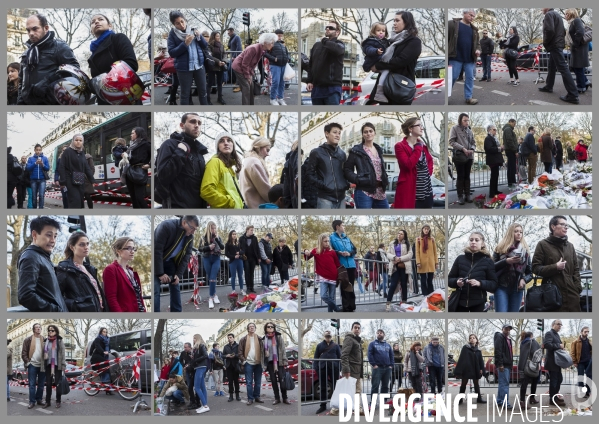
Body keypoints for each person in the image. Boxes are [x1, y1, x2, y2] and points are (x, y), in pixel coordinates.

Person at [17, 14, 79, 105]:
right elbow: (21, 81)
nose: (31, 33)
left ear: (46, 28)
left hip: (51, 102)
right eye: (28, 30)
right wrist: (20, 102)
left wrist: (48, 82)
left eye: (35, 29)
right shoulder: (26, 53)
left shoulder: (60, 47)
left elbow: (75, 71)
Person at [155, 113, 209, 208]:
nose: (197, 125)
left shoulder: (199, 153)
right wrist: (180, 152)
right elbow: (162, 176)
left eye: (199, 123)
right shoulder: (169, 144)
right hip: (177, 208)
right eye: (192, 122)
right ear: (182, 125)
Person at [369, 11, 422, 105]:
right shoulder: (390, 41)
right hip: (386, 89)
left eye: (397, 20)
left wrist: (377, 66)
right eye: (393, 20)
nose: (394, 23)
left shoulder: (414, 42)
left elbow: (400, 61)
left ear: (406, 22)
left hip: (400, 88)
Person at [531, 216, 581, 312]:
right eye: (562, 224)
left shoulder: (570, 246)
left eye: (567, 225)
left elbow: (576, 269)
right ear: (553, 227)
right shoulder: (542, 244)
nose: (565, 227)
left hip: (572, 295)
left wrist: (577, 288)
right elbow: (535, 268)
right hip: (552, 295)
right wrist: (555, 267)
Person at [18, 217, 67, 312]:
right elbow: (26, 295)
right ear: (34, 234)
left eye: (55, 236)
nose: (53, 240)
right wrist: (56, 311)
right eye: (49, 235)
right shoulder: (31, 257)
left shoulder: (42, 257)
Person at [88, 14, 138, 104]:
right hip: (105, 103)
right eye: (93, 22)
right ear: (91, 31)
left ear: (109, 25)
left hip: (126, 96)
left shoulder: (118, 38)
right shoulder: (92, 56)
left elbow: (131, 64)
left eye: (100, 19)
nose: (96, 22)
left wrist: (105, 80)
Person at [154, 215, 198, 312]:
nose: (193, 232)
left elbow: (186, 257)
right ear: (184, 223)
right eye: (192, 228)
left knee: (175, 284)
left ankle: (177, 311)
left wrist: (178, 274)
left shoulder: (190, 237)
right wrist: (160, 273)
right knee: (155, 290)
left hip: (169, 261)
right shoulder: (166, 226)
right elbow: (157, 250)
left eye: (195, 230)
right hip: (155, 260)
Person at [56, 231, 107, 312]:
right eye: (82, 244)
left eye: (87, 244)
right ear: (72, 247)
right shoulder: (65, 268)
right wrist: (75, 305)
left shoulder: (90, 269)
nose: (86, 247)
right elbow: (56, 296)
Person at [448, 232, 497, 312]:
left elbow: (494, 284)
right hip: (460, 303)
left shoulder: (488, 261)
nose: (473, 242)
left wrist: (480, 283)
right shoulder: (460, 259)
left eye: (477, 240)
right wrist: (457, 282)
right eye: (471, 240)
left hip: (479, 304)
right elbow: (449, 279)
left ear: (482, 244)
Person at [343, 123, 390, 209]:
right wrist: (358, 179)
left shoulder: (379, 149)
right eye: (365, 132)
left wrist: (385, 178)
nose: (368, 133)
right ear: (363, 134)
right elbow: (347, 169)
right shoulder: (356, 150)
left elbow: (380, 168)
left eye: (370, 131)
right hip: (364, 191)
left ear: (374, 133)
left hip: (380, 191)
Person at [538, 9, 579, 104]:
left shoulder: (549, 14)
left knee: (563, 68)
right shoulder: (557, 15)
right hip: (558, 44)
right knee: (551, 67)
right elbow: (563, 31)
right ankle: (549, 86)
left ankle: (573, 95)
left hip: (554, 45)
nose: (541, 9)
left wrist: (545, 42)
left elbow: (549, 30)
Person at [167, 11, 208, 105]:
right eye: (177, 23)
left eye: (182, 21)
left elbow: (205, 46)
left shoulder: (194, 30)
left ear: (185, 20)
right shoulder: (172, 34)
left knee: (203, 92)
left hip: (199, 66)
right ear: (174, 24)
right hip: (184, 69)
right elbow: (172, 53)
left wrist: (199, 37)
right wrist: (185, 44)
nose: (181, 25)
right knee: (185, 94)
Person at [306, 123, 349, 209]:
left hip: (342, 198)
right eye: (335, 132)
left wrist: (346, 184)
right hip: (325, 199)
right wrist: (324, 185)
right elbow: (309, 174)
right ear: (327, 133)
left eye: (339, 133)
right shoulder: (316, 152)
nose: (337, 135)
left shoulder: (342, 154)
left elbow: (346, 172)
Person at [493, 223, 532, 313]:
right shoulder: (500, 249)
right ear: (510, 233)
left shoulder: (525, 251)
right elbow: (491, 267)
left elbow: (529, 272)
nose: (519, 234)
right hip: (501, 286)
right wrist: (506, 261)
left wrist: (524, 280)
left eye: (521, 232)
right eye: (516, 231)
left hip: (517, 289)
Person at [200, 132, 244, 209]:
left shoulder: (230, 169)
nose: (226, 143)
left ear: (233, 145)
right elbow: (206, 191)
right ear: (218, 147)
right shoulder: (214, 162)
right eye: (221, 141)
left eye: (229, 140)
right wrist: (230, 203)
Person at [306, 21, 345, 105]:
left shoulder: (339, 44)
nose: (327, 29)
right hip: (317, 89)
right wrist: (309, 81)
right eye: (326, 27)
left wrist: (324, 40)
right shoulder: (316, 45)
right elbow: (311, 64)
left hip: (332, 88)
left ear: (337, 32)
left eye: (331, 28)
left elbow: (338, 50)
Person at [103, 237, 146, 312]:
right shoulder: (110, 270)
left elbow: (139, 297)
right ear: (118, 251)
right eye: (129, 248)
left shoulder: (131, 272)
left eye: (133, 248)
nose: (132, 251)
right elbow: (111, 299)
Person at [232, 33, 276, 105]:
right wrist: (247, 76)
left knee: (251, 86)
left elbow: (252, 63)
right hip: (238, 67)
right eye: (271, 43)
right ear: (265, 42)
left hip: (245, 67)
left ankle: (251, 105)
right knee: (246, 87)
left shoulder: (263, 50)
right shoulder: (253, 48)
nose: (272, 45)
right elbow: (245, 64)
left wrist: (251, 73)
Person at [448, 9, 480, 105]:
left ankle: (469, 97)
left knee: (470, 78)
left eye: (474, 16)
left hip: (469, 58)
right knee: (452, 77)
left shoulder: (474, 30)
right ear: (464, 13)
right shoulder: (452, 24)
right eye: (470, 15)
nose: (472, 18)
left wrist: (478, 50)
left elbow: (478, 44)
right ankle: (445, 97)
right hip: (455, 57)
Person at [304, 233, 342, 312]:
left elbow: (338, 264)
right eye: (325, 241)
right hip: (323, 277)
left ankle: (330, 315)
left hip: (333, 276)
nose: (327, 243)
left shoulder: (332, 252)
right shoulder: (316, 251)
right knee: (324, 295)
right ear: (320, 242)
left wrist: (339, 276)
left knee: (331, 297)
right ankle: (337, 309)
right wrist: (305, 250)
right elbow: (307, 257)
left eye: (328, 241)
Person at [58, 134, 95, 209]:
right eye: (76, 140)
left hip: (80, 180)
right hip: (70, 180)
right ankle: (74, 218)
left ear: (83, 142)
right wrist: (62, 181)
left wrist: (92, 180)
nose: (78, 142)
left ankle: (79, 219)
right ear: (73, 141)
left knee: (81, 201)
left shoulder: (81, 153)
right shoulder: (67, 151)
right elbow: (61, 166)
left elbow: (86, 167)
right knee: (75, 200)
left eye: (80, 140)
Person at [336, 322, 364, 416]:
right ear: (352, 329)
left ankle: (357, 409)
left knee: (357, 391)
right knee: (347, 391)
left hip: (357, 370)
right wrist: (346, 370)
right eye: (355, 327)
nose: (357, 329)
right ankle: (335, 409)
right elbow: (344, 355)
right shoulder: (349, 339)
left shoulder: (357, 341)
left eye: (358, 328)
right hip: (351, 370)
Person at [448, 113, 476, 204]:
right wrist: (462, 148)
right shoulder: (454, 128)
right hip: (459, 156)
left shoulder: (470, 131)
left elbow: (473, 143)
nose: (467, 122)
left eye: (468, 120)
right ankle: (460, 196)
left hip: (469, 156)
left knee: (467, 176)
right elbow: (451, 141)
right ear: (460, 120)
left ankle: (467, 195)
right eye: (465, 120)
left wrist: (472, 149)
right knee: (460, 176)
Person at [330, 220, 357, 312]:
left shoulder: (347, 238)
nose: (344, 227)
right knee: (344, 286)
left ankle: (352, 306)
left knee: (351, 286)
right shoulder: (331, 238)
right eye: (343, 225)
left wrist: (349, 253)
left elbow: (355, 250)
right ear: (337, 227)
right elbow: (331, 250)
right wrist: (339, 252)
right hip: (341, 266)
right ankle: (346, 307)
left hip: (351, 265)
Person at [262, 322, 290, 405]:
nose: (270, 328)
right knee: (273, 381)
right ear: (266, 328)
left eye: (272, 326)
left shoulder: (278, 337)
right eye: (268, 327)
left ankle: (285, 398)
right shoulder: (264, 339)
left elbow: (283, 349)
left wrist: (285, 360)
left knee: (282, 380)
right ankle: (277, 398)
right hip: (270, 363)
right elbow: (262, 353)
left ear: (274, 328)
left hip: (279, 362)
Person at [314, 330, 341, 414]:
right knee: (323, 387)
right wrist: (316, 368)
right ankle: (322, 406)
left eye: (329, 336)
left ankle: (335, 405)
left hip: (334, 368)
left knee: (335, 387)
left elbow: (340, 357)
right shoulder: (319, 346)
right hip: (322, 368)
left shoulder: (336, 346)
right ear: (324, 336)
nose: (328, 337)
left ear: (331, 336)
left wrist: (339, 368)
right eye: (326, 336)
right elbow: (315, 358)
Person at [123, 127, 150, 209]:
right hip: (130, 171)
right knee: (134, 199)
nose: (131, 135)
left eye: (132, 133)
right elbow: (129, 159)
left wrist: (149, 165)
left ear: (138, 134)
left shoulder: (146, 144)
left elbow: (155, 157)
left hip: (139, 172)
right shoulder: (131, 145)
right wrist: (124, 156)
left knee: (139, 198)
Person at [454, 334, 486, 404]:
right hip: (467, 369)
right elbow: (462, 359)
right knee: (464, 383)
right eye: (470, 338)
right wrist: (459, 370)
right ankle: (460, 399)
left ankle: (479, 398)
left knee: (476, 383)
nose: (472, 339)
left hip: (475, 369)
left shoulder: (478, 350)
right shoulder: (465, 348)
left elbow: (480, 360)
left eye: (473, 338)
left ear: (476, 340)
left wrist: (481, 369)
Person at [240, 137, 272, 208]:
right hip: (258, 206)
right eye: (267, 150)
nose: (268, 154)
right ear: (259, 147)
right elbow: (265, 190)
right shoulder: (254, 162)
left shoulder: (247, 161)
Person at [21, 323, 47, 408]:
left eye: (39, 327)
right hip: (32, 365)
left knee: (41, 384)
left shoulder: (44, 340)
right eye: (36, 328)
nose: (38, 329)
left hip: (42, 365)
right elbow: (24, 353)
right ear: (33, 330)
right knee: (32, 384)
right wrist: (28, 363)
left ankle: (39, 399)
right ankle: (32, 401)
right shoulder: (28, 340)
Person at [238, 323, 264, 405]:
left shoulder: (260, 339)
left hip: (258, 363)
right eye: (250, 327)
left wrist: (263, 361)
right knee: (249, 382)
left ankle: (257, 397)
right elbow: (240, 352)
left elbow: (263, 351)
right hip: (248, 363)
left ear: (255, 328)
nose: (251, 328)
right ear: (248, 329)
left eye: (253, 327)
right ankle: (250, 398)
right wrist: (244, 361)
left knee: (258, 381)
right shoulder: (243, 339)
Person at [565, 9, 591, 94]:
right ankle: (585, 82)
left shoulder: (576, 20)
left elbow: (580, 32)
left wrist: (575, 44)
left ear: (572, 14)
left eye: (567, 14)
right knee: (577, 68)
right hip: (578, 48)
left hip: (579, 48)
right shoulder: (571, 23)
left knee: (578, 67)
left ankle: (581, 87)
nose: (565, 16)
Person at [386, 231, 413, 309]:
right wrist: (394, 257)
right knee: (393, 284)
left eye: (401, 234)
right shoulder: (392, 243)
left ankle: (404, 301)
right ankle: (388, 302)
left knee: (404, 284)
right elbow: (388, 254)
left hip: (403, 265)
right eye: (398, 233)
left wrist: (400, 259)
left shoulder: (407, 244)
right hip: (394, 266)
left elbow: (410, 254)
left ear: (404, 236)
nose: (399, 235)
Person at [201, 221, 224, 309]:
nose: (214, 230)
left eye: (215, 228)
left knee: (213, 277)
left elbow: (222, 247)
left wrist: (217, 239)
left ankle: (211, 297)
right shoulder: (203, 237)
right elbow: (200, 248)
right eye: (212, 228)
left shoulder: (218, 237)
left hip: (216, 258)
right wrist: (208, 247)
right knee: (210, 278)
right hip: (207, 258)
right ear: (208, 228)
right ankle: (214, 295)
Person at [41, 325, 66, 409]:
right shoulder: (45, 341)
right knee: (48, 384)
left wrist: (63, 364)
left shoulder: (59, 340)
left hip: (57, 365)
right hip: (48, 365)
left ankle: (58, 401)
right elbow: (42, 354)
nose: (50, 332)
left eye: (52, 330)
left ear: (56, 331)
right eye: (49, 330)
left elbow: (62, 353)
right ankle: (47, 402)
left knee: (58, 384)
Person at [368, 329, 394, 405]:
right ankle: (373, 402)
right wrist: (374, 364)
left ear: (384, 334)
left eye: (381, 333)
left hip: (387, 368)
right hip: (377, 368)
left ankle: (384, 401)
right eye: (378, 333)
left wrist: (391, 365)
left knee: (385, 386)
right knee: (375, 386)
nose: (379, 334)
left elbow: (391, 355)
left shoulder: (388, 345)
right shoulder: (372, 344)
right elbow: (370, 354)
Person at [264, 29, 290, 105]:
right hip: (275, 65)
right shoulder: (271, 43)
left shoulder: (283, 44)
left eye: (281, 35)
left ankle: (280, 98)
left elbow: (287, 53)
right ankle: (272, 99)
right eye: (279, 35)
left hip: (283, 65)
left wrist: (288, 58)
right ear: (275, 35)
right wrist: (273, 59)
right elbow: (265, 53)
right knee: (276, 82)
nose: (280, 37)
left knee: (282, 82)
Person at [544, 320, 566, 408]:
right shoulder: (549, 333)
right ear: (553, 325)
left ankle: (555, 396)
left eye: (561, 324)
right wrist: (559, 345)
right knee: (554, 381)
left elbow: (556, 345)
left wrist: (562, 348)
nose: (560, 326)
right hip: (552, 362)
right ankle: (552, 400)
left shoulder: (556, 334)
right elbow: (547, 345)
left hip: (557, 362)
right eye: (558, 324)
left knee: (559, 379)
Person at [494, 324, 515, 409]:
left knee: (502, 384)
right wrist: (500, 364)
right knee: (505, 384)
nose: (508, 331)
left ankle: (499, 400)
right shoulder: (500, 337)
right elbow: (498, 351)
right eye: (506, 329)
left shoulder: (508, 339)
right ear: (502, 329)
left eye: (509, 330)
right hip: (503, 364)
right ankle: (505, 403)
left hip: (507, 364)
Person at [519, 330, 541, 408]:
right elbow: (537, 353)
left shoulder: (522, 343)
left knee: (524, 384)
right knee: (534, 383)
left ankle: (522, 401)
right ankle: (532, 398)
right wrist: (538, 363)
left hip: (523, 365)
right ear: (531, 335)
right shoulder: (533, 342)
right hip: (532, 366)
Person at [415, 225, 438, 297]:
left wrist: (436, 262)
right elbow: (417, 251)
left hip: (431, 262)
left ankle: (431, 294)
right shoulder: (418, 239)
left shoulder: (432, 239)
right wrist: (418, 262)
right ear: (422, 230)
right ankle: (425, 294)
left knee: (430, 281)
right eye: (425, 229)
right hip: (422, 262)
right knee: (423, 281)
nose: (426, 230)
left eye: (428, 229)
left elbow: (435, 251)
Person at [571, 326, 592, 398]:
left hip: (588, 362)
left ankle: (587, 392)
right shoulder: (575, 342)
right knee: (581, 378)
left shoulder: (589, 341)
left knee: (590, 377)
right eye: (585, 331)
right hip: (580, 362)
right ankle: (582, 392)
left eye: (588, 332)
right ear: (581, 332)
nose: (587, 333)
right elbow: (572, 352)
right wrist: (574, 361)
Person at [26, 144, 50, 209]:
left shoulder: (45, 158)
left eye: (39, 150)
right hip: (33, 180)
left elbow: (48, 168)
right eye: (37, 150)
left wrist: (43, 164)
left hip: (42, 180)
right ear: (34, 150)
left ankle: (41, 209)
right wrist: (35, 163)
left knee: (41, 196)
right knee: (34, 196)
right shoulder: (30, 159)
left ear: (41, 150)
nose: (38, 151)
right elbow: (28, 168)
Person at [191, 333, 210, 414]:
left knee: (197, 387)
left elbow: (205, 355)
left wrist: (195, 360)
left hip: (200, 367)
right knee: (202, 387)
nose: (193, 340)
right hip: (199, 367)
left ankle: (205, 406)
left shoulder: (201, 346)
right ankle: (204, 405)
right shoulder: (197, 347)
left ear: (198, 338)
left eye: (195, 338)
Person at [206, 31, 227, 105]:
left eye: (219, 36)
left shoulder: (221, 45)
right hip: (212, 66)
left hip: (220, 66)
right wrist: (218, 61)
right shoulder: (209, 45)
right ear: (213, 37)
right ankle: (208, 99)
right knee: (210, 82)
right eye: (217, 36)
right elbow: (210, 56)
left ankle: (220, 98)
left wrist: (224, 61)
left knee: (219, 83)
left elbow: (224, 54)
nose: (219, 37)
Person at [484, 124, 504, 197]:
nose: (495, 131)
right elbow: (489, 149)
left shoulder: (494, 138)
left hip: (496, 159)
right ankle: (492, 192)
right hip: (492, 159)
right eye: (494, 129)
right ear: (489, 130)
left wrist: (501, 148)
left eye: (495, 129)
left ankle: (495, 190)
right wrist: (499, 148)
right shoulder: (488, 138)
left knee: (496, 175)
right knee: (493, 176)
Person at [239, 226, 261, 293]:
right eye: (251, 230)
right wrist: (241, 254)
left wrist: (259, 257)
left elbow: (257, 248)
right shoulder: (241, 238)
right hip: (245, 258)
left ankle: (252, 287)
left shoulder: (254, 238)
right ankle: (248, 288)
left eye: (252, 230)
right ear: (247, 230)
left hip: (253, 258)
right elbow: (239, 247)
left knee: (252, 273)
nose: (252, 231)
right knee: (247, 273)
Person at [91, 328, 112, 392]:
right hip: (96, 356)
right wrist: (103, 351)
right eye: (103, 332)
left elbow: (109, 347)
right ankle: (105, 383)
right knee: (106, 365)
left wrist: (111, 351)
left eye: (106, 332)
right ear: (100, 332)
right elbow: (97, 346)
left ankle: (106, 386)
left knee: (106, 368)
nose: (105, 333)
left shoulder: (107, 340)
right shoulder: (97, 339)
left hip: (102, 356)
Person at [225, 230, 245, 295]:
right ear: (230, 235)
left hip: (240, 261)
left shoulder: (238, 243)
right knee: (233, 276)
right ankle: (233, 290)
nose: (234, 235)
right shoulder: (227, 244)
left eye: (235, 234)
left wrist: (239, 253)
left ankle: (241, 289)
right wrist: (234, 256)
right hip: (233, 261)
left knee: (240, 276)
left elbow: (243, 251)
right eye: (233, 234)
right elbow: (226, 254)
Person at [223, 334, 241, 402]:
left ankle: (237, 395)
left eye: (230, 337)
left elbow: (240, 354)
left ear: (233, 338)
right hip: (228, 366)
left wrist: (234, 356)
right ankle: (231, 396)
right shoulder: (226, 347)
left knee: (236, 381)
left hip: (235, 365)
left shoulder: (237, 345)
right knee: (230, 382)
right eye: (228, 338)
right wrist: (226, 356)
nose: (229, 339)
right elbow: (222, 355)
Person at [502, 119, 518, 189]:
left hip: (510, 150)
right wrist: (515, 151)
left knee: (511, 167)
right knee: (511, 168)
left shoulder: (508, 129)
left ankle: (512, 182)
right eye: (514, 124)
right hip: (510, 150)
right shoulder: (508, 129)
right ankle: (511, 183)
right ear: (510, 122)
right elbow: (510, 141)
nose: (514, 125)